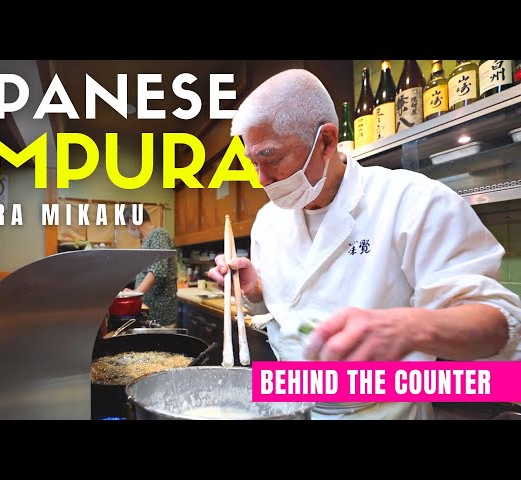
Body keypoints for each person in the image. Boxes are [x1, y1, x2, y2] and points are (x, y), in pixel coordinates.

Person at [207, 68, 521, 420]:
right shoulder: (269, 219)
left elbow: (500, 323)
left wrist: (408, 327)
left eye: (272, 159)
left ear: (326, 141)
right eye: (254, 164)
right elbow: (296, 302)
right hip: (292, 404)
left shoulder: (412, 200)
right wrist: (257, 290)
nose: (262, 180)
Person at [123, 205, 178, 327]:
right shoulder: (147, 240)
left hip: (160, 313)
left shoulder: (159, 234)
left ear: (132, 220)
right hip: (151, 311)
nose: (128, 229)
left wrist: (135, 293)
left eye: (127, 225)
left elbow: (157, 271)